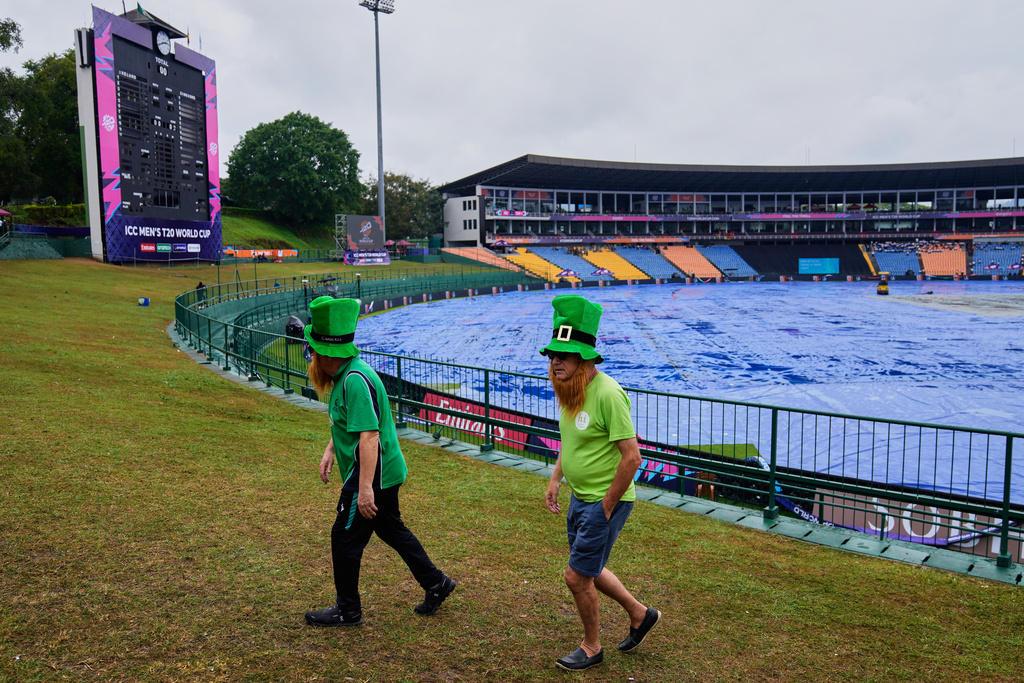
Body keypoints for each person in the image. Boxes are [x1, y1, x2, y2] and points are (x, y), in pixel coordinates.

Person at [303, 296, 455, 627]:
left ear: (326, 353)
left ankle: (348, 610)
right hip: (382, 473)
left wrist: (366, 489)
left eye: (312, 349)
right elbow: (354, 424)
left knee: (343, 537)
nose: (310, 356)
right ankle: (437, 583)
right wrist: (331, 448)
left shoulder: (355, 380)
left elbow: (369, 437)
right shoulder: (348, 376)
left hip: (373, 475)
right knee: (390, 529)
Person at [540, 294, 661, 671]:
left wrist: (605, 508)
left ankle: (592, 647)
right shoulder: (571, 390)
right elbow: (571, 442)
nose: (555, 361)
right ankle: (641, 615)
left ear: (585, 357)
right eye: (552, 355)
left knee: (576, 577)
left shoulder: (608, 393)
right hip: (581, 498)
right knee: (589, 567)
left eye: (564, 355)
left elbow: (632, 457)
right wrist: (556, 478)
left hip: (603, 501)